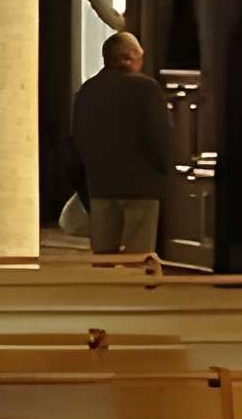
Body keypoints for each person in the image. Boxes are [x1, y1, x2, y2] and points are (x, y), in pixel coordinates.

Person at [69, 32, 186, 259]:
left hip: (100, 184)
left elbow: (77, 138)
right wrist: (167, 172)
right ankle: (134, 294)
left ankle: (106, 293)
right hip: (140, 186)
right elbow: (158, 138)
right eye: (140, 57)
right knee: (138, 257)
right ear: (129, 58)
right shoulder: (146, 89)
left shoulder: (87, 90)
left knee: (103, 256)